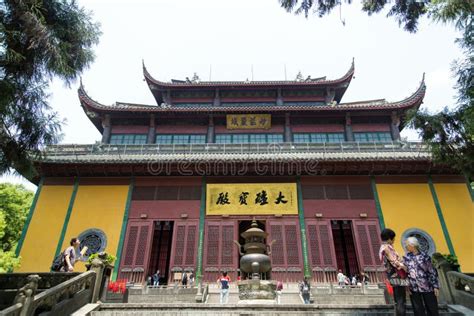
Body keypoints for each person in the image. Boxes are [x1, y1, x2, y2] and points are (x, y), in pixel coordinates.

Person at [404, 237, 440, 316]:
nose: (406, 246)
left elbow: (432, 271)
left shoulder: (424, 256)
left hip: (427, 286)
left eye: (407, 245)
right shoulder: (407, 258)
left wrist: (435, 286)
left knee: (432, 309)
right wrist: (407, 286)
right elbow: (406, 273)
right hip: (413, 287)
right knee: (417, 310)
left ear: (412, 245)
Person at [379, 228, 408, 316]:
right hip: (397, 276)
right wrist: (405, 267)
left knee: (398, 300)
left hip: (392, 276)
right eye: (393, 238)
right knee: (400, 300)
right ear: (389, 238)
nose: (394, 240)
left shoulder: (382, 247)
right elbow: (394, 261)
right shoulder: (387, 248)